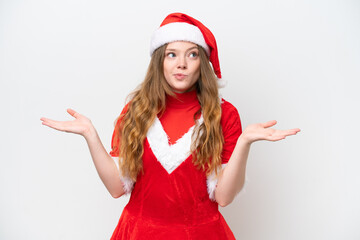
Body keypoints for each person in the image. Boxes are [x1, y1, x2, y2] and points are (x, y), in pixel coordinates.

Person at [40, 13, 300, 240]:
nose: (182, 64)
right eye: (171, 54)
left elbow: (223, 198)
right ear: (159, 61)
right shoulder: (136, 111)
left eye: (192, 54)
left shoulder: (224, 114)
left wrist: (244, 143)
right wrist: (90, 135)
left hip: (201, 234)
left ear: (202, 62)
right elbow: (116, 188)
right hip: (138, 233)